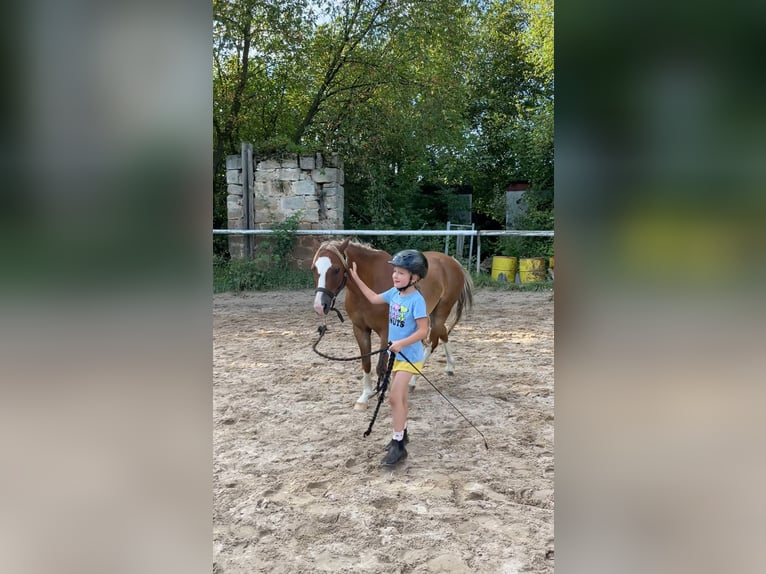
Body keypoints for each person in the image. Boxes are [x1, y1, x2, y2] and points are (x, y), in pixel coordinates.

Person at [348, 249, 430, 465]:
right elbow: (374, 298)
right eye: (394, 271)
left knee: (394, 398)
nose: (395, 276)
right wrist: (356, 278)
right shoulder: (394, 293)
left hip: (410, 357)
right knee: (400, 398)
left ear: (415, 277)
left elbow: (423, 332)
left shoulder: (416, 300)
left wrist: (401, 343)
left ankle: (398, 446)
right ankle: (402, 433)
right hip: (397, 355)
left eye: (401, 273)